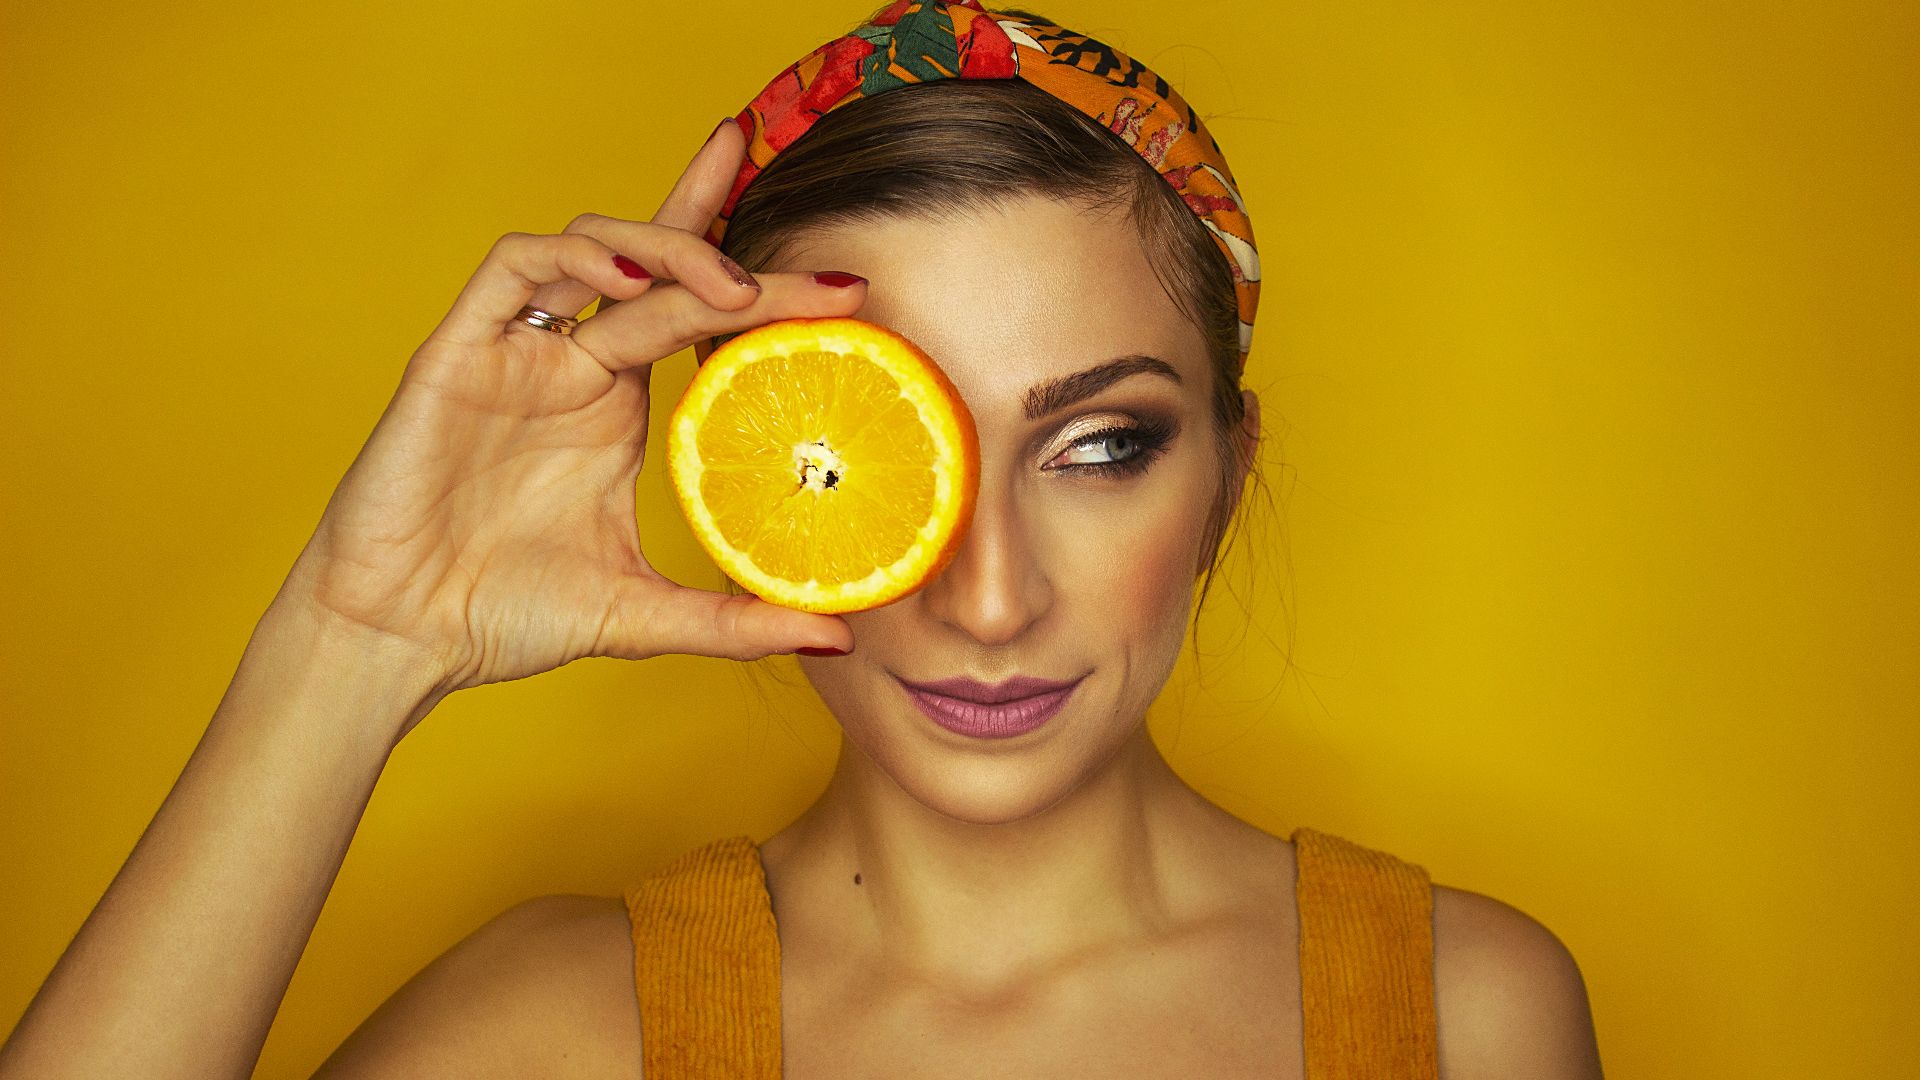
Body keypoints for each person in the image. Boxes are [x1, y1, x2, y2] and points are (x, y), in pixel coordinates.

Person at [0, 2, 1604, 1077]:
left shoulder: (1462, 1012)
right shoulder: (559, 1031)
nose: (986, 598)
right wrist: (359, 640)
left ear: (1225, 479)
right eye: (876, 454)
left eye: (1100, 445)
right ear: (741, 473)